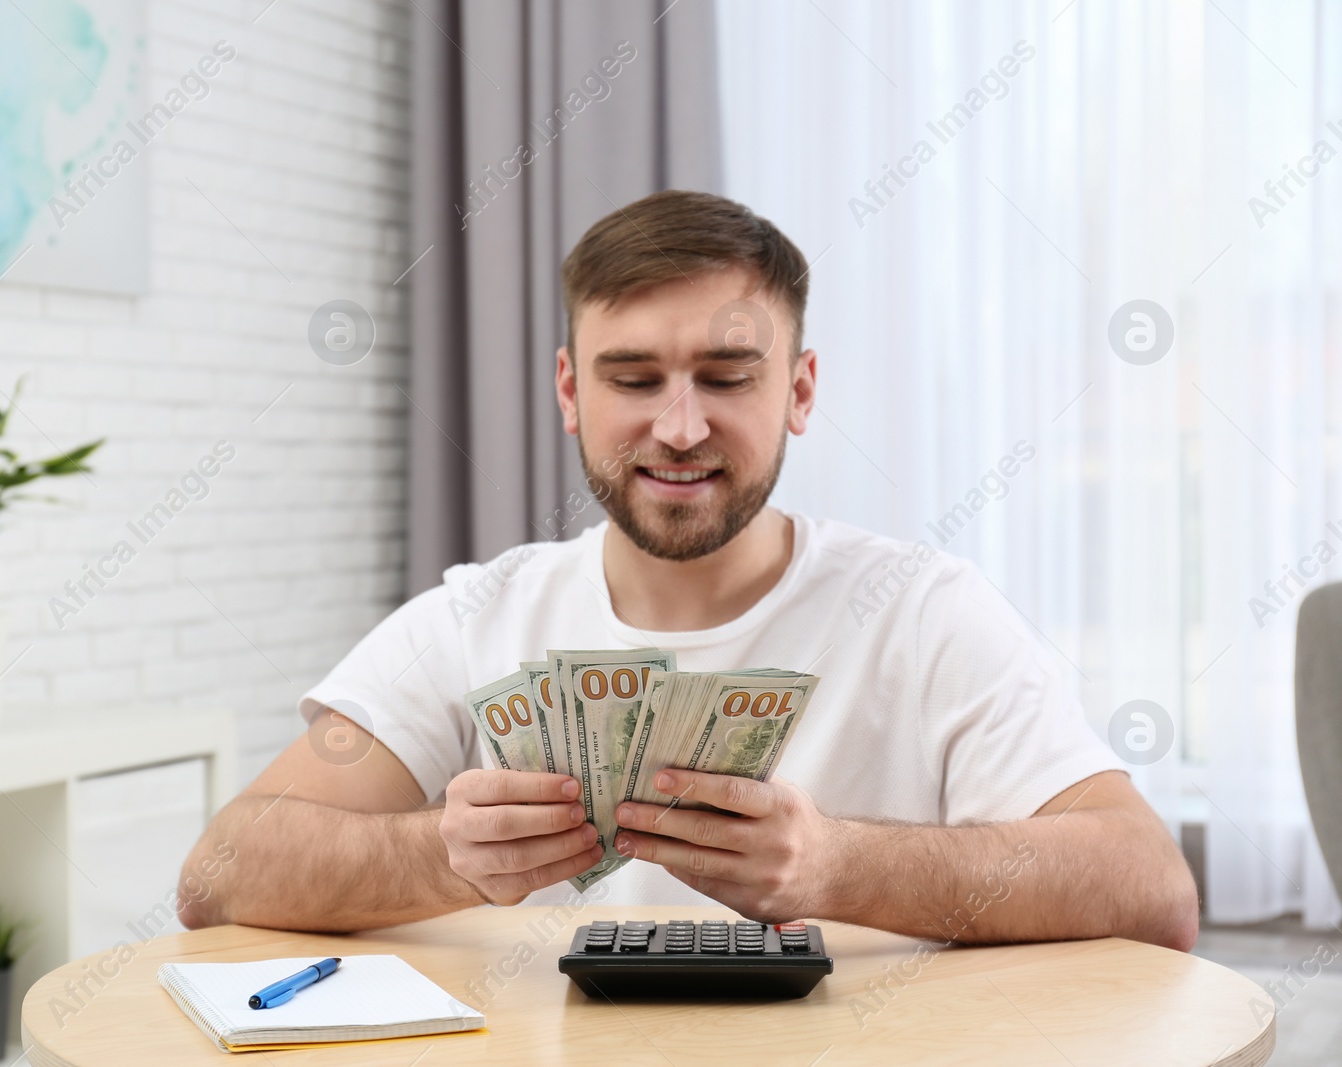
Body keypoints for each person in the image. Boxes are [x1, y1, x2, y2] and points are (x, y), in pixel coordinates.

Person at [178, 190, 1199, 951]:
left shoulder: (925, 610)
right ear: (570, 391)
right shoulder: (475, 616)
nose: (678, 427)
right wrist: (438, 854)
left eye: (726, 376)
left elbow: (1149, 885)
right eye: (633, 378)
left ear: (799, 389)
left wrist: (838, 863)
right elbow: (219, 870)